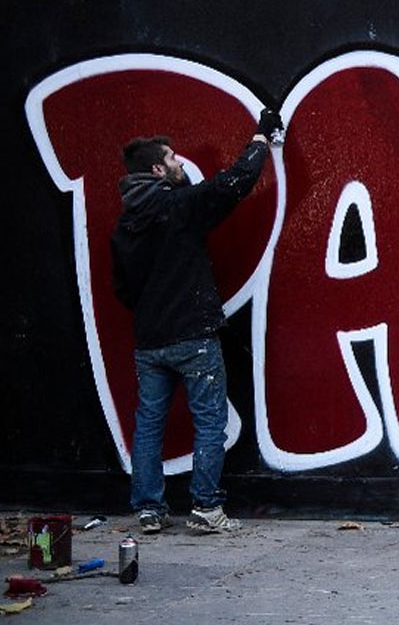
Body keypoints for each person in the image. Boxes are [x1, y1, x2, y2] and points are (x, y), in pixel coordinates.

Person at [111, 108, 283, 534]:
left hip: (150, 340)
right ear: (156, 169)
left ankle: (149, 508)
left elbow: (122, 291)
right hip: (193, 335)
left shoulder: (125, 227)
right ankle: (206, 507)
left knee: (149, 422)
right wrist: (261, 138)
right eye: (172, 159)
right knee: (210, 421)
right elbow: (234, 183)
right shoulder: (179, 207)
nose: (179, 163)